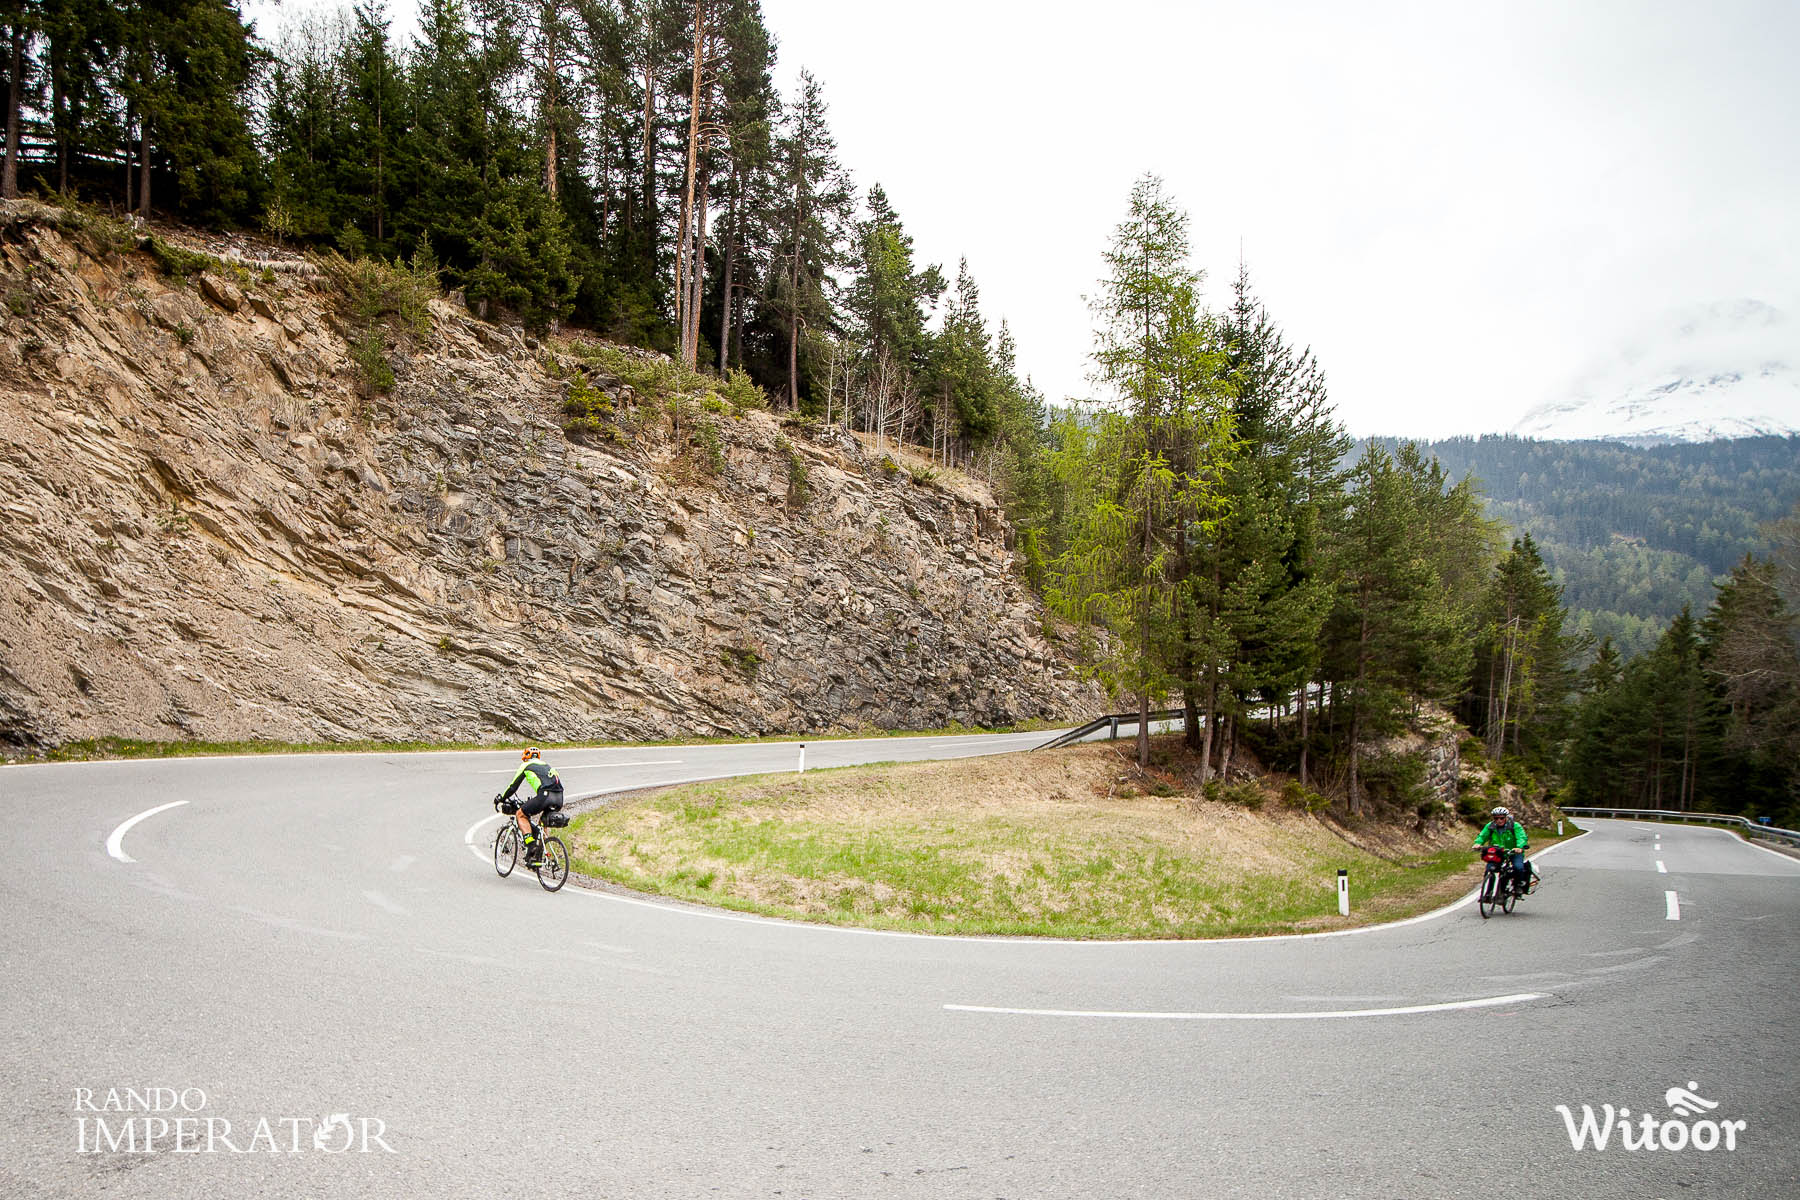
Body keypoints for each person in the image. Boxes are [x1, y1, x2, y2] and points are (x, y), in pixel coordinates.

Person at [495, 747, 564, 865]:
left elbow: (513, 786)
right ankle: (539, 854)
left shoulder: (526, 765)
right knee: (542, 824)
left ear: (526, 757)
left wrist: (502, 798)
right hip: (559, 797)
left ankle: (531, 845)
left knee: (520, 814)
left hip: (545, 796)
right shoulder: (547, 766)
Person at [1474, 805, 1533, 896]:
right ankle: (1488, 893)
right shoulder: (1490, 826)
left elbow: (1521, 837)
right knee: (1490, 869)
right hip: (1498, 852)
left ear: (1506, 817)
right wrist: (1478, 843)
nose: (1499, 820)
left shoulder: (1515, 826)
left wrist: (1519, 847)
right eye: (1496, 818)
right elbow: (1482, 836)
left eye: (1501, 818)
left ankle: (1518, 885)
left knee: (1518, 867)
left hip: (1513, 852)